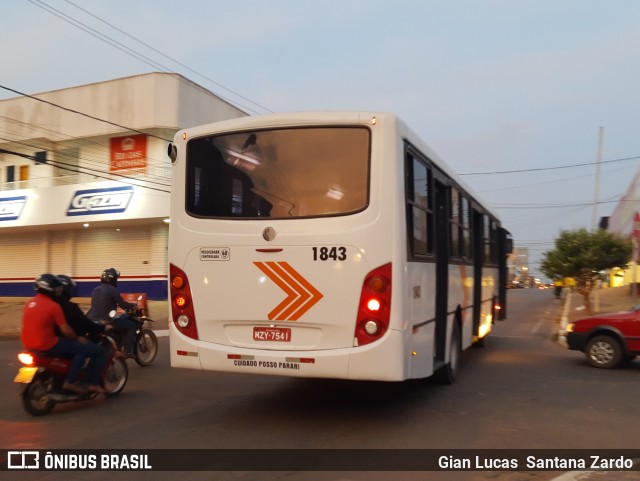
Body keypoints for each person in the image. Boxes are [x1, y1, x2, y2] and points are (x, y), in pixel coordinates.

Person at [21, 274, 107, 394]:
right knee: (83, 348)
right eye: (56, 288)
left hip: (28, 345)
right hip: (48, 344)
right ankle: (71, 381)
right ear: (49, 289)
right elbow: (66, 330)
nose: (58, 291)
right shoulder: (53, 306)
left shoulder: (29, 303)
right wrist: (77, 338)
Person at [86, 268, 138, 357]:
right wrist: (134, 306)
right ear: (113, 279)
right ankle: (126, 352)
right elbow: (123, 304)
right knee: (132, 326)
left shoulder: (95, 289)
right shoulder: (112, 290)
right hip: (106, 320)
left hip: (92, 319)